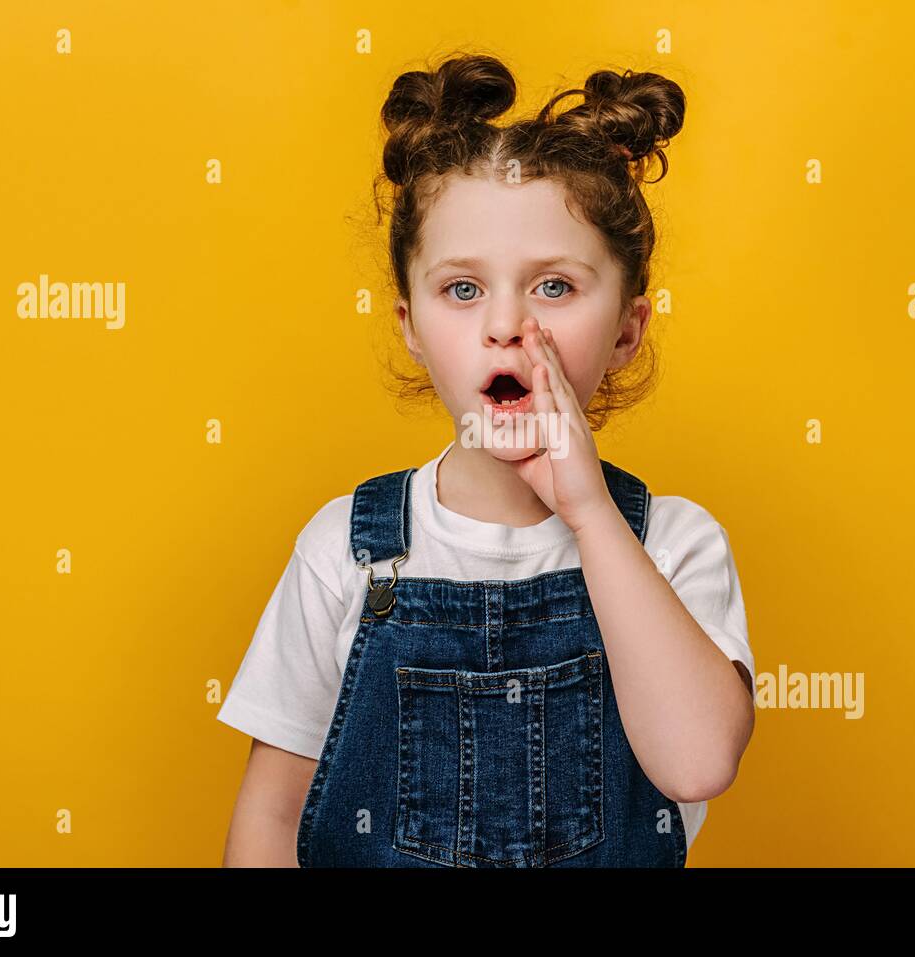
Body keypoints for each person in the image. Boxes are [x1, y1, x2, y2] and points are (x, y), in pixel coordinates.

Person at [219, 52, 755, 867]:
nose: (506, 324)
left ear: (626, 330)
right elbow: (271, 818)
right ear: (409, 323)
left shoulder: (673, 544)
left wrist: (588, 511)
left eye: (554, 287)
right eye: (463, 290)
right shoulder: (347, 551)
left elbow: (698, 761)